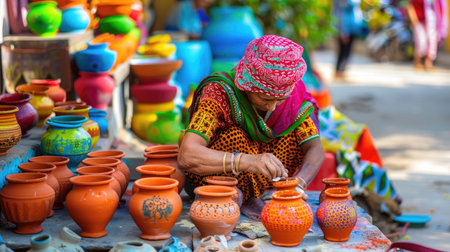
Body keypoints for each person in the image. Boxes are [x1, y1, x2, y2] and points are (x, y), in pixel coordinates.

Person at [178, 35, 325, 220]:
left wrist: (298, 184)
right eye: (265, 99)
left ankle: (267, 195)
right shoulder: (219, 92)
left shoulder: (293, 94)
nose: (272, 107)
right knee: (233, 136)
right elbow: (187, 154)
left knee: (292, 133)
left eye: (280, 99)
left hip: (270, 187)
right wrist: (247, 161)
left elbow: (315, 148)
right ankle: (237, 195)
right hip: (222, 183)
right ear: (246, 84)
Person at [407, 0, 448, 70]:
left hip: (432, 20)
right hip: (419, 20)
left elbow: (440, 8)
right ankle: (418, 61)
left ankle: (428, 63)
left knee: (432, 40)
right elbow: (410, 6)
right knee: (420, 41)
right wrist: (414, 19)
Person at [333, 0, 366, 79]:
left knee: (345, 51)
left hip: (351, 29)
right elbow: (341, 15)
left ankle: (341, 70)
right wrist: (344, 32)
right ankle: (339, 70)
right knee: (344, 51)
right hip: (345, 30)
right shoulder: (343, 3)